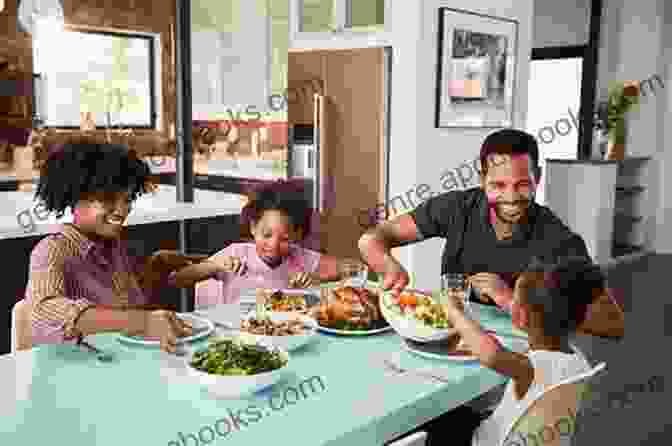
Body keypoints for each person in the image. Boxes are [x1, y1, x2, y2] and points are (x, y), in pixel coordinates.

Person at [358, 128, 624, 338]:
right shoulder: (458, 208)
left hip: (515, 364)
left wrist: (510, 300)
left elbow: (611, 323)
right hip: (450, 342)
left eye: (522, 185)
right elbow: (372, 239)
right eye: (498, 184)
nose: (510, 197)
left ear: (538, 179)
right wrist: (388, 267)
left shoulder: (557, 239)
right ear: (482, 178)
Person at [26, 140, 199, 354]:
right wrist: (143, 321)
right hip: (75, 370)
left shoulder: (115, 246)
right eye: (108, 199)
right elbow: (44, 311)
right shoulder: (52, 250)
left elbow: (125, 305)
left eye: (127, 199)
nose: (121, 211)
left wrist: (158, 265)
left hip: (117, 361)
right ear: (73, 196)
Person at [423, 256, 605, 446]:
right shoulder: (578, 360)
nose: (511, 303)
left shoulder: (531, 367)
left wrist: (453, 311)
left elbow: (491, 353)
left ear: (522, 316)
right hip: (533, 438)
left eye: (515, 300)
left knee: (436, 423)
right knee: (463, 415)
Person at [170, 180, 357, 305]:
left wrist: (317, 281)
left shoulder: (301, 257)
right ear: (252, 228)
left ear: (298, 234)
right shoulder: (236, 253)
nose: (274, 245)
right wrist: (214, 266)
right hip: (235, 333)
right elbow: (177, 279)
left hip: (283, 332)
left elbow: (353, 268)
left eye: (284, 239)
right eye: (266, 235)